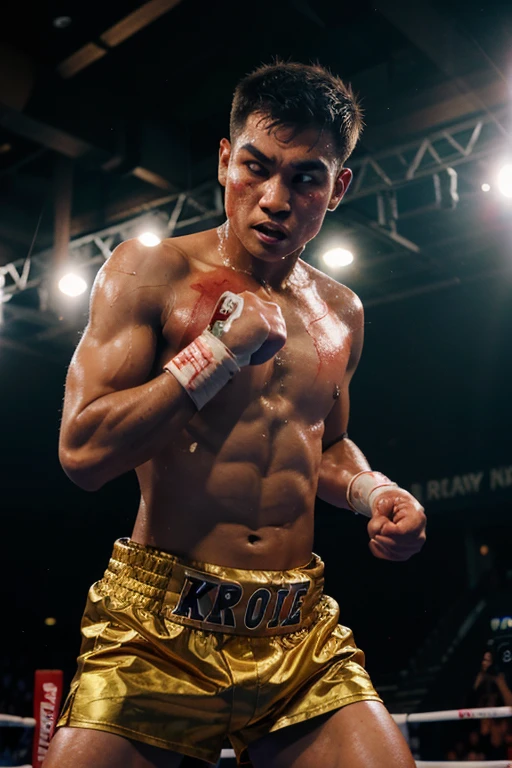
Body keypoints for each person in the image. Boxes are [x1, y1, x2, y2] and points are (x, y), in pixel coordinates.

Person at [44, 60, 426, 768]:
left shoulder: (342, 313)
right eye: (257, 166)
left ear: (338, 187)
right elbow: (83, 453)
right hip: (158, 623)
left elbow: (327, 448)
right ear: (225, 161)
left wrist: (375, 490)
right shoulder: (149, 271)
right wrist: (214, 353)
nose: (276, 198)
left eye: (307, 177)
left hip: (295, 628)